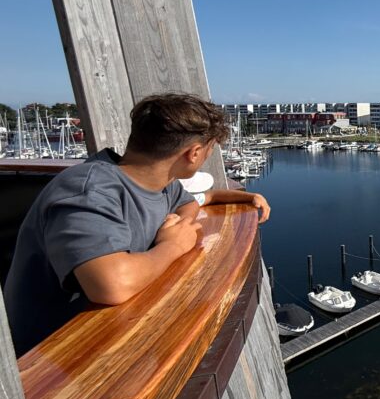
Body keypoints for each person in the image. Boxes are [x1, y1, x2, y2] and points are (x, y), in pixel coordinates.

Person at [3, 93, 271, 356]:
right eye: (210, 149)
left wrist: (186, 220)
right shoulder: (89, 191)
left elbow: (190, 203)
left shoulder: (159, 182)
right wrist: (173, 245)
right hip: (45, 360)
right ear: (194, 153)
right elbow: (112, 285)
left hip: (105, 338)